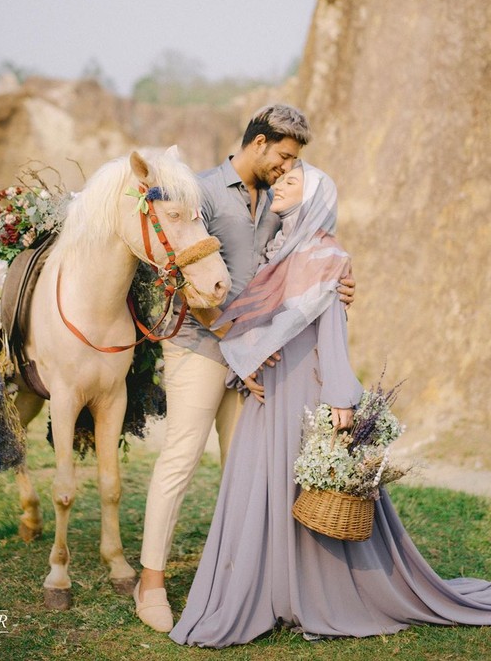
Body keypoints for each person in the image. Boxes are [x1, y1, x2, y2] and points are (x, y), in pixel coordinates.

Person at [170, 160, 491, 647]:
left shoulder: (328, 256)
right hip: (269, 388)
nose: (280, 186)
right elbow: (251, 324)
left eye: (293, 182)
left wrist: (339, 397)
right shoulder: (282, 252)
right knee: (260, 489)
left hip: (305, 392)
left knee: (304, 491)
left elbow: (331, 330)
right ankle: (269, 590)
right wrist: (245, 368)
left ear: (315, 199)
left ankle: (316, 591)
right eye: (280, 180)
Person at [134, 105, 356, 632]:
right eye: (282, 156)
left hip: (256, 356)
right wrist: (233, 338)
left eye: (294, 161)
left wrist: (337, 280)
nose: (286, 168)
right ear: (257, 142)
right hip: (201, 346)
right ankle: (151, 584)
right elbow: (179, 275)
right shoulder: (203, 191)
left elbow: (300, 256)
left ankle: (246, 584)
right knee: (181, 458)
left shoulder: (281, 204)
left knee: (246, 471)